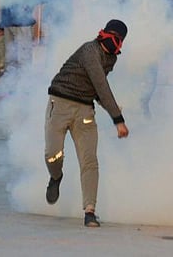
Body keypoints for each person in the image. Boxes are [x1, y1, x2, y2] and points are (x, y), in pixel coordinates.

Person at [44, 19, 130, 228]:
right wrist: (117, 119)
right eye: (111, 35)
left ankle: (90, 210)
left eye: (118, 39)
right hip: (60, 103)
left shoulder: (111, 59)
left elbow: (96, 89)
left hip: (84, 109)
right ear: (102, 34)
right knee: (53, 154)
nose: (113, 41)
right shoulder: (89, 51)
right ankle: (56, 177)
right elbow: (100, 84)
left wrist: (110, 107)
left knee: (89, 161)